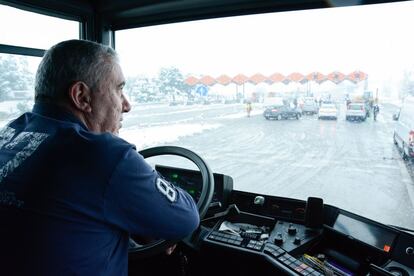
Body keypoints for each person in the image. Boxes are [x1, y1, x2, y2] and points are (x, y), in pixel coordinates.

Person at [0, 40, 199, 276]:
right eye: (119, 89)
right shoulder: (101, 154)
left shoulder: (10, 134)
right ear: (81, 96)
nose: (127, 105)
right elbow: (185, 218)